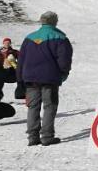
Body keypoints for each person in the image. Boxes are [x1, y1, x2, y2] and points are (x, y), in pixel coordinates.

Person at [17, 10, 73, 147]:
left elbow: (21, 61)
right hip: (50, 78)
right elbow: (64, 60)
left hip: (30, 79)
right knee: (49, 106)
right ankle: (47, 136)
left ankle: (32, 137)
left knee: (33, 107)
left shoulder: (29, 38)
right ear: (55, 22)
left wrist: (20, 80)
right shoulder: (60, 38)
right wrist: (63, 74)